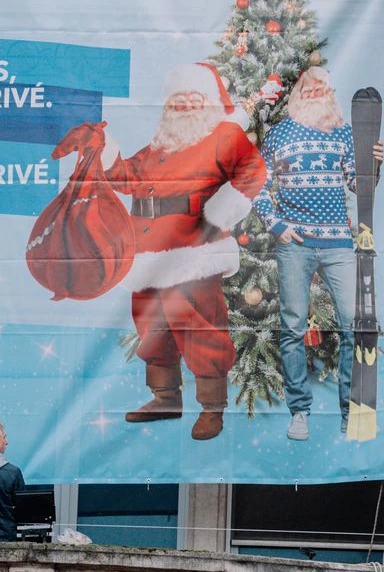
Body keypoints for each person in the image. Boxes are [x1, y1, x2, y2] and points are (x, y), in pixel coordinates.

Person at [103, 62, 268, 441]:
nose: (186, 106)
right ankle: (165, 398)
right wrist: (108, 154)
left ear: (209, 104)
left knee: (200, 325)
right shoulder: (159, 146)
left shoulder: (222, 138)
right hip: (147, 251)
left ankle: (212, 407)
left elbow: (253, 171)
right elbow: (125, 178)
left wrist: (221, 210)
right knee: (151, 325)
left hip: (194, 249)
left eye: (195, 99)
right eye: (179, 100)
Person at [252, 67, 383, 441]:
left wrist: (374, 163)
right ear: (297, 94)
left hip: (338, 243)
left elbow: (358, 186)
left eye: (321, 88)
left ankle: (348, 412)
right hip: (295, 244)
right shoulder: (280, 134)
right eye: (308, 88)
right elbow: (257, 183)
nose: (314, 93)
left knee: (352, 327)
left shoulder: (344, 133)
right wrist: (276, 225)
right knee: (292, 328)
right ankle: (300, 412)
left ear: (330, 93)